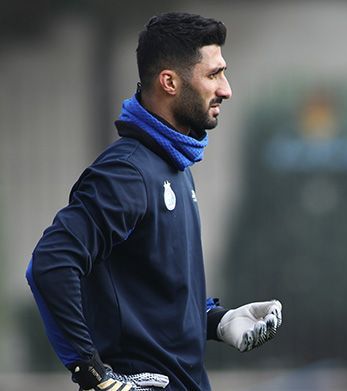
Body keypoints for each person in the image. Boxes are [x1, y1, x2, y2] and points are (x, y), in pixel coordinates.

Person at [26, 12, 282, 391]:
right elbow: (49, 264)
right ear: (169, 82)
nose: (226, 89)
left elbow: (148, 299)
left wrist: (217, 321)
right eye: (214, 74)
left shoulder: (173, 165)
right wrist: (94, 375)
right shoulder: (126, 171)